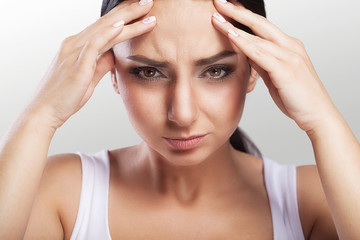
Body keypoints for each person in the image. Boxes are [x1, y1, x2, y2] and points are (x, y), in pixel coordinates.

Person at [0, 0, 359, 239]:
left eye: (216, 70)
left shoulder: (316, 198)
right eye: (149, 73)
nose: (183, 114)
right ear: (110, 72)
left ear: (256, 70)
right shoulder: (60, 195)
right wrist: (40, 116)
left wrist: (321, 120)